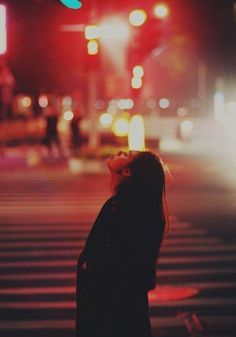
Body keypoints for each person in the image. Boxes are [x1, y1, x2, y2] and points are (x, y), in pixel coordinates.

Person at [76, 150, 169, 337]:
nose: (119, 152)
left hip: (109, 304)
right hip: (125, 302)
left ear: (127, 172)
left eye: (126, 155)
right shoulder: (133, 205)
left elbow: (112, 259)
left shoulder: (121, 207)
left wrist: (88, 268)